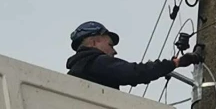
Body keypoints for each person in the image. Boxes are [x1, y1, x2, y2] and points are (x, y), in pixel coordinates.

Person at [66, 21, 203, 90]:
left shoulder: (77, 71)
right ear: (94, 42)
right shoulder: (95, 63)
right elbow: (135, 72)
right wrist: (175, 63)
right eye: (110, 45)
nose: (114, 51)